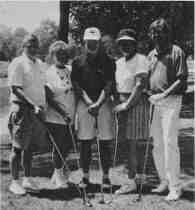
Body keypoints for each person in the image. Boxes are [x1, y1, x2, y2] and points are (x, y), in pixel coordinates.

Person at [148, 18, 188, 201]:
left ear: (167, 33)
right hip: (154, 101)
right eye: (154, 32)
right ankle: (164, 181)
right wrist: (150, 94)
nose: (157, 35)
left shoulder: (176, 51)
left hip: (171, 100)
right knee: (157, 144)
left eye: (161, 31)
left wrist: (163, 95)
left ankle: (175, 187)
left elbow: (181, 79)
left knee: (169, 142)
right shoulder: (151, 55)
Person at [71, 27, 116, 189]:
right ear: (84, 42)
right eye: (89, 42)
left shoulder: (109, 61)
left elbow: (109, 85)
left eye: (95, 42)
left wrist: (98, 103)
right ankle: (85, 177)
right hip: (85, 103)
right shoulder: (77, 62)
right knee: (85, 141)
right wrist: (90, 103)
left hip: (103, 103)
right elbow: (77, 86)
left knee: (105, 141)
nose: (92, 44)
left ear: (99, 43)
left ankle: (105, 177)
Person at [8, 34, 47, 195]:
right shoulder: (18, 63)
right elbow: (15, 88)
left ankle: (27, 178)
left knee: (29, 147)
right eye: (30, 45)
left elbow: (42, 86)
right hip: (22, 110)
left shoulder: (39, 63)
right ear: (24, 46)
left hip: (37, 110)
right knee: (18, 148)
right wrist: (32, 105)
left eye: (35, 45)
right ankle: (15, 182)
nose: (33, 48)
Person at [113, 29, 150, 195]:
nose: (125, 45)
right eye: (122, 43)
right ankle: (134, 179)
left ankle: (132, 181)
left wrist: (126, 105)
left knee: (132, 145)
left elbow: (140, 85)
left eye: (128, 42)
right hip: (122, 104)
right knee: (126, 144)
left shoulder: (141, 59)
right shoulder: (119, 62)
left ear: (135, 44)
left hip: (134, 103)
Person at [45, 41, 75, 188]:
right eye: (59, 54)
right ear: (52, 55)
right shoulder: (49, 72)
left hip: (71, 116)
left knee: (67, 146)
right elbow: (49, 98)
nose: (62, 57)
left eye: (65, 54)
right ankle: (58, 175)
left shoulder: (70, 69)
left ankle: (58, 172)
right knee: (59, 146)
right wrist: (63, 113)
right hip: (56, 116)